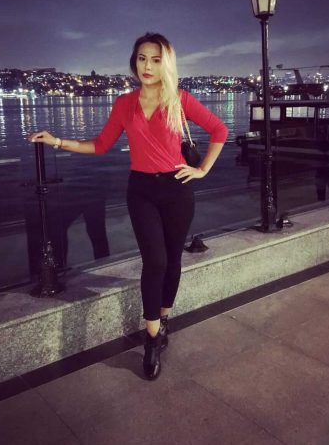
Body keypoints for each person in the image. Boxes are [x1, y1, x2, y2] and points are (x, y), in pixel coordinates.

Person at [29, 32, 228, 380]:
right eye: (141, 58)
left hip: (177, 189)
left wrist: (201, 170)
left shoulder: (179, 100)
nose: (147, 66)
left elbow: (219, 130)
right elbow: (101, 145)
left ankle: (163, 318)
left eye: (155, 59)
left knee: (173, 260)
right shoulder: (124, 103)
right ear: (134, 62)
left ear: (166, 64)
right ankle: (152, 339)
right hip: (141, 191)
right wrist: (57, 141)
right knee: (155, 261)